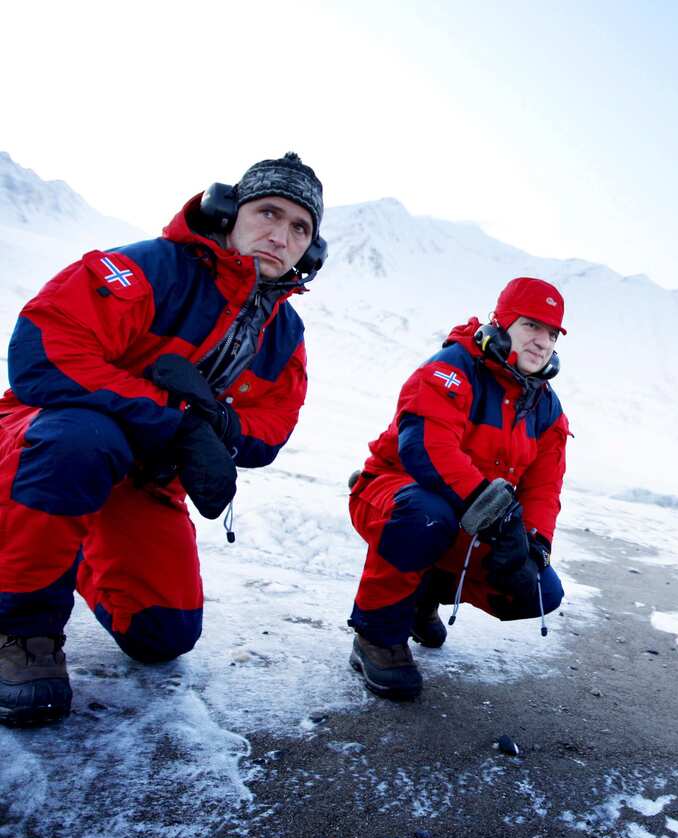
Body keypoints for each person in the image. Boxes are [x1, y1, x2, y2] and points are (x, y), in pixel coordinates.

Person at [0, 153, 326, 726]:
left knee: (162, 634)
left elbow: (272, 427)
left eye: (300, 228)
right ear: (227, 211)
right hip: (45, 440)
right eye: (268, 212)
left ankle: (67, 550)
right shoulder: (153, 268)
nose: (281, 235)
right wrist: (173, 417)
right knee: (81, 440)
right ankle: (20, 629)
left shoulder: (286, 332)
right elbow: (43, 353)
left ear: (312, 250)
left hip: (144, 483)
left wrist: (219, 427)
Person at [346, 277, 570, 700]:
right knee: (427, 516)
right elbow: (427, 447)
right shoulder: (453, 367)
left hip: (471, 517)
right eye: (531, 326)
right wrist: (496, 514)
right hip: (393, 495)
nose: (543, 342)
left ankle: (421, 600)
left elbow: (545, 486)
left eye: (552, 333)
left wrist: (533, 543)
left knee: (538, 589)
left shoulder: (547, 408)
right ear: (501, 325)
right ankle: (375, 635)